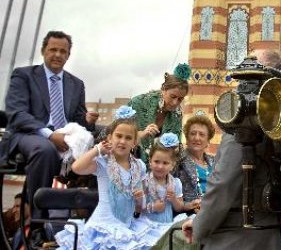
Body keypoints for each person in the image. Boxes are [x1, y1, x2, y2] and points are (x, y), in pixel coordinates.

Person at [160, 49, 281, 250]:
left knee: (170, 239)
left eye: (248, 71)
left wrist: (199, 226)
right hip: (277, 233)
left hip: (237, 236)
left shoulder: (248, 117)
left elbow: (224, 182)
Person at [0, 31, 99, 229]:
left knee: (105, 152)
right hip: (29, 134)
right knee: (44, 149)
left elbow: (78, 119)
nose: (58, 54)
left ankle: (94, 220)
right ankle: (39, 222)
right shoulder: (24, 75)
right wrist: (49, 134)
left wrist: (87, 120)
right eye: (53, 49)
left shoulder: (76, 84)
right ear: (43, 50)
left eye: (63, 51)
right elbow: (17, 113)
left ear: (68, 55)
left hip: (67, 136)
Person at [54, 106, 172, 249]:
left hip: (128, 225)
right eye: (119, 136)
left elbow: (139, 205)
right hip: (104, 225)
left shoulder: (139, 165)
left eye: (128, 138)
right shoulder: (103, 162)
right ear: (110, 138)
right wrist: (97, 150)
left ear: (134, 142)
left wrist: (139, 198)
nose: (122, 141)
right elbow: (77, 167)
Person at [127, 63, 190, 166]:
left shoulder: (177, 114)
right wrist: (142, 134)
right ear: (163, 90)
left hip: (158, 170)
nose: (175, 102)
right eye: (173, 96)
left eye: (180, 99)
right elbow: (116, 133)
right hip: (129, 164)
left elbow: (175, 147)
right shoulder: (138, 103)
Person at [173, 115, 215, 211]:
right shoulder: (177, 161)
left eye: (201, 134)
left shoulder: (215, 162)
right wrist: (188, 206)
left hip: (214, 210)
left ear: (208, 140)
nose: (197, 138)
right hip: (189, 213)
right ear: (187, 138)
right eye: (193, 133)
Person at [143, 133, 186, 223]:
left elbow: (180, 208)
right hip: (147, 224)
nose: (160, 166)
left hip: (166, 224)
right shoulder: (144, 181)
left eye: (165, 163)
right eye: (156, 161)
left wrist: (174, 199)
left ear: (172, 165)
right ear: (150, 161)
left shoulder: (175, 183)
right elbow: (137, 207)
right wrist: (153, 207)